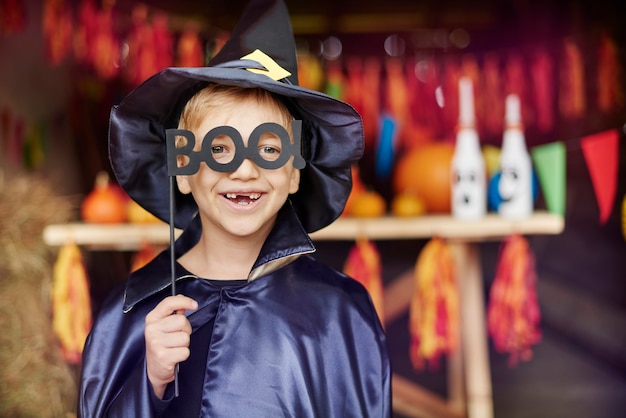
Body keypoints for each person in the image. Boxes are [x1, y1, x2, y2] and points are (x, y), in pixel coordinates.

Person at [78, 0, 391, 416]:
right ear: (183, 169)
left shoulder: (339, 312)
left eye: (268, 149)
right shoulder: (132, 312)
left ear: (295, 172)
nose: (244, 170)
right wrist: (149, 383)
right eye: (220, 149)